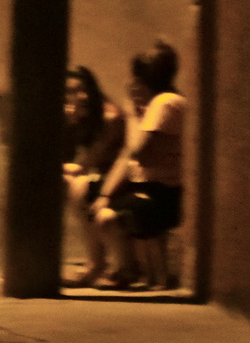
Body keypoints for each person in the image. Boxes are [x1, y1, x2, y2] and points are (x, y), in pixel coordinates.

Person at [92, 42, 187, 290]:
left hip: (164, 195)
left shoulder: (166, 103)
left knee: (106, 219)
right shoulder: (158, 104)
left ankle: (127, 271)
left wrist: (133, 113)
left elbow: (139, 152)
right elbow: (128, 157)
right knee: (93, 199)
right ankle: (119, 267)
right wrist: (105, 194)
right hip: (148, 190)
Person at [62, 66, 126, 287]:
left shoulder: (110, 118)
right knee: (70, 183)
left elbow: (84, 164)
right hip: (100, 176)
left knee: (78, 186)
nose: (79, 97)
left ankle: (96, 265)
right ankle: (94, 263)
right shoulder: (84, 118)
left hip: (121, 179)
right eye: (70, 92)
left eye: (82, 89)